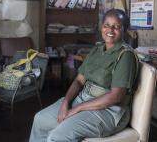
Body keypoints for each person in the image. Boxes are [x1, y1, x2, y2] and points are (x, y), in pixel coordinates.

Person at [29, 9, 139, 142]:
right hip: (83, 99)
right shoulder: (97, 49)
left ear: (124, 30)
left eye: (117, 26)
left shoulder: (126, 56)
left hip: (109, 111)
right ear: (101, 27)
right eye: (107, 25)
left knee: (57, 137)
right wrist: (66, 102)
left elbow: (115, 96)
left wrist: (76, 109)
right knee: (40, 119)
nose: (110, 29)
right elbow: (79, 81)